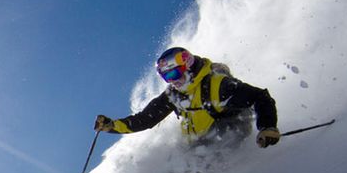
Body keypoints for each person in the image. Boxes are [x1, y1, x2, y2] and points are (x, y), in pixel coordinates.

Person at [95, 46, 281, 149]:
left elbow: (260, 97)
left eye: (174, 74)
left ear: (188, 66)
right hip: (199, 146)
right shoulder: (174, 95)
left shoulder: (217, 85)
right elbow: (145, 119)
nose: (172, 81)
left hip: (227, 137)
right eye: (166, 77)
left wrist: (267, 127)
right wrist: (112, 125)